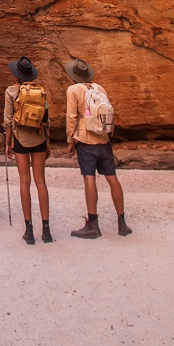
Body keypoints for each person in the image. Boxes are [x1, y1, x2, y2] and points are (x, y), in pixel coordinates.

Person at [64, 58, 132, 238]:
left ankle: (93, 224)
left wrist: (70, 141)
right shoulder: (99, 88)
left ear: (73, 75)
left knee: (89, 178)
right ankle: (122, 223)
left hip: (86, 142)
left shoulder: (73, 90)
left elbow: (71, 117)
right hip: (104, 141)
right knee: (112, 178)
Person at [4, 56, 52, 245]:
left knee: (25, 181)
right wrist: (48, 143)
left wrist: (7, 143)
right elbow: (46, 120)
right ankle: (46, 230)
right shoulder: (41, 91)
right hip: (39, 139)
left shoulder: (11, 91)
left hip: (20, 140)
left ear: (16, 74)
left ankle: (29, 230)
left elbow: (8, 121)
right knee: (41, 182)